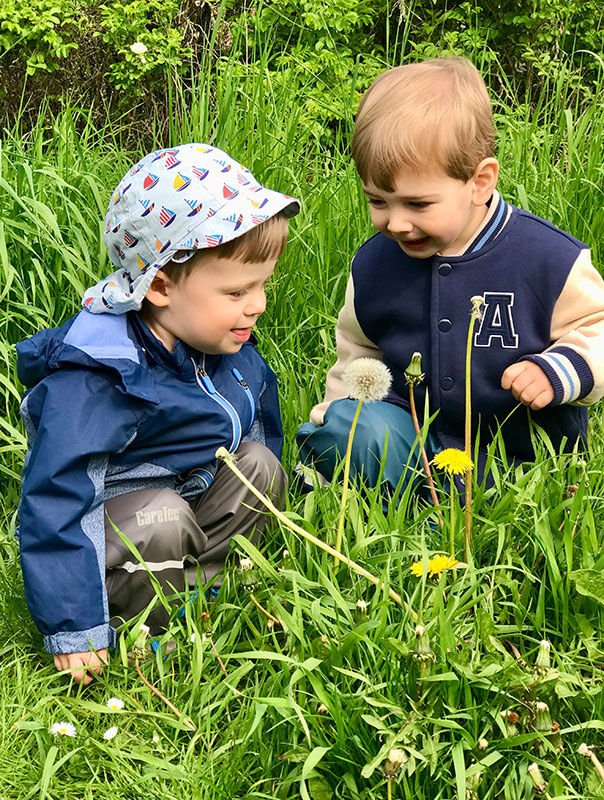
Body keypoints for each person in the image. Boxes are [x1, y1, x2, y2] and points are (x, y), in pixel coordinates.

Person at [17, 143, 299, 684]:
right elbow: (57, 496)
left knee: (259, 465)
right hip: (117, 530)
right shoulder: (102, 377)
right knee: (163, 514)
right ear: (161, 286)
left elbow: (259, 422)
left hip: (191, 503)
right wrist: (73, 625)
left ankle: (209, 597)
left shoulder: (221, 342)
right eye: (239, 290)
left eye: (263, 284)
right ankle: (144, 633)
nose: (258, 303)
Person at [297, 56, 604, 493]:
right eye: (378, 201)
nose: (396, 223)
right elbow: (356, 350)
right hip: (413, 444)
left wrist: (559, 370)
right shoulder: (373, 266)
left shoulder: (548, 259)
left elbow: (598, 327)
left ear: (480, 182)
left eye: (417, 204)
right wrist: (340, 414)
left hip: (518, 457)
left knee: (514, 480)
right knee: (350, 429)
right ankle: (352, 484)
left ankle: (478, 503)